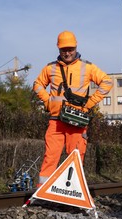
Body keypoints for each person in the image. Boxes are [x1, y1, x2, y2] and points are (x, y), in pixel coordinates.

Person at [32, 31, 113, 184]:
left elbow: (107, 82)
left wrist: (89, 103)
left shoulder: (87, 67)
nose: (67, 52)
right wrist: (48, 101)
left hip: (77, 121)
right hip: (56, 121)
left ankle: (72, 192)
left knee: (75, 158)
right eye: (64, 49)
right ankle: (43, 192)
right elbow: (37, 85)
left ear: (75, 47)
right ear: (58, 49)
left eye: (70, 49)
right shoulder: (50, 68)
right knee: (50, 157)